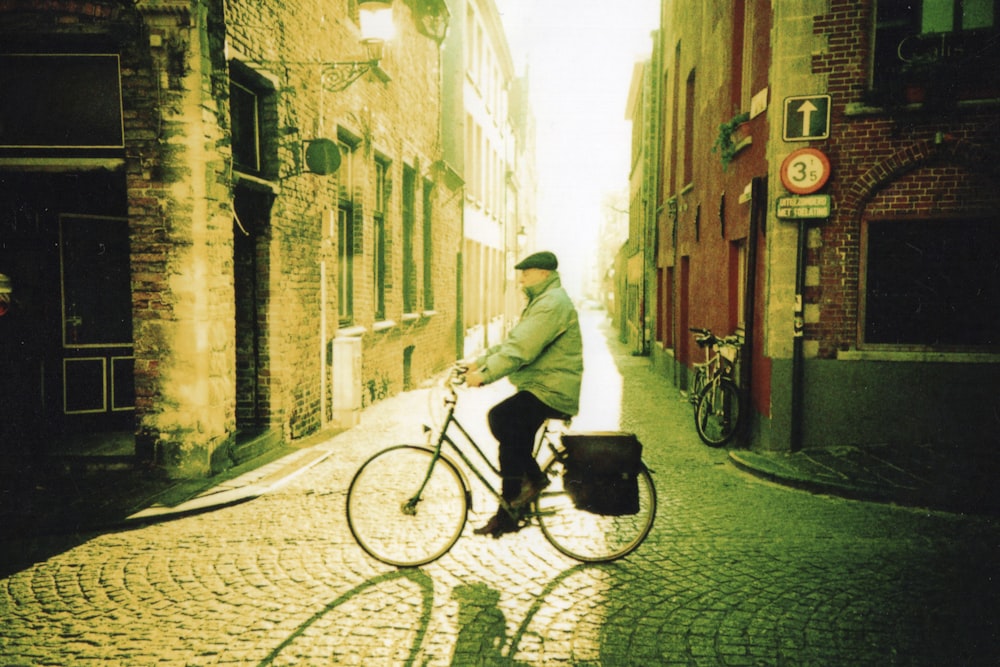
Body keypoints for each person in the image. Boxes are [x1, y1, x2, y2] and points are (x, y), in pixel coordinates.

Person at [464, 250, 583, 537]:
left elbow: (521, 349)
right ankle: (509, 512)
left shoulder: (551, 304)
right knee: (512, 437)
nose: (520, 279)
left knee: (502, 418)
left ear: (544, 274)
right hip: (541, 385)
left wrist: (485, 376)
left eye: (526, 273)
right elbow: (514, 341)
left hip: (551, 389)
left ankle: (535, 481)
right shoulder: (542, 301)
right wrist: (478, 361)